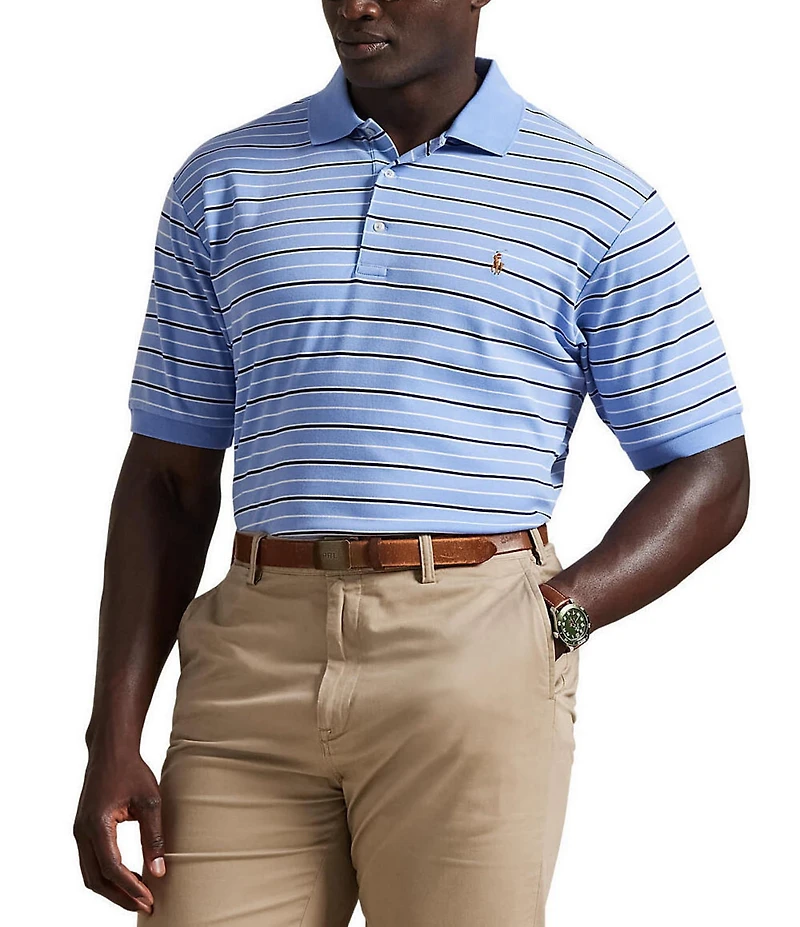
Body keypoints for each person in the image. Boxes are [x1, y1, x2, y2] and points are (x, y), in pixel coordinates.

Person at [73, 1, 749, 924]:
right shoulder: (223, 180)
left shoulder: (598, 201)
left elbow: (711, 470)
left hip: (474, 650)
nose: (354, 4)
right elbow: (166, 476)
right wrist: (111, 736)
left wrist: (555, 618)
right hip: (251, 659)